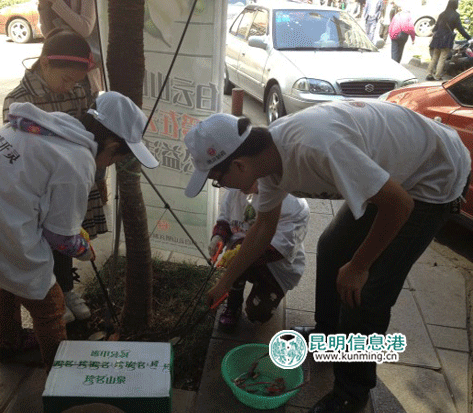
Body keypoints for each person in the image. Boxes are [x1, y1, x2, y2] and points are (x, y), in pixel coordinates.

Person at [183, 101, 470, 413]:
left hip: (432, 177)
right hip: (389, 175)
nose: (220, 186)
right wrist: (224, 283)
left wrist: (359, 266)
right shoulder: (268, 165)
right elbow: (263, 228)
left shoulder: (316, 148)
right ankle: (329, 334)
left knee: (366, 294)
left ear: (239, 165)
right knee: (333, 247)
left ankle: (351, 393)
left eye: (217, 179)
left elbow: (399, 205)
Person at [0, 92, 159, 371]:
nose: (108, 165)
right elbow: (60, 237)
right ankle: (58, 373)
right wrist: (84, 249)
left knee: (6, 277)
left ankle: (9, 342)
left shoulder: (55, 126)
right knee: (50, 303)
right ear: (113, 144)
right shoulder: (78, 159)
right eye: (114, 159)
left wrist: (71, 232)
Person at [3, 29, 103, 324]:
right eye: (66, 79)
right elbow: (18, 149)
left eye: (75, 81)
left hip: (70, 181)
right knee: (45, 242)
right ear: (45, 63)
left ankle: (67, 289)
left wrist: (96, 175)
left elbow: (90, 132)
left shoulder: (79, 90)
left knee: (68, 232)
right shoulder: (19, 100)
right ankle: (52, 293)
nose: (69, 87)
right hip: (39, 187)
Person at [209, 181, 309, 330]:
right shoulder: (235, 189)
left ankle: (265, 294)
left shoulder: (294, 204)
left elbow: (277, 249)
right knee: (235, 262)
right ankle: (233, 304)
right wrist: (219, 236)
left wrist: (238, 257)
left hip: (275, 266)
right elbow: (225, 219)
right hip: (243, 250)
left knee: (257, 314)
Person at [37, 0, 103, 99]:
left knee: (85, 102)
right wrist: (43, 6)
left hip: (84, 71)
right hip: (60, 69)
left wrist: (57, 3)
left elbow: (86, 28)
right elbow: (49, 34)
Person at [426, 0, 471, 81]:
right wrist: (469, 38)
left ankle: (429, 74)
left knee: (434, 57)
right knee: (442, 58)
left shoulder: (442, 14)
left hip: (437, 39)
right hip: (446, 40)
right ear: (456, 4)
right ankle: (438, 76)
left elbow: (435, 28)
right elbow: (460, 29)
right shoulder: (455, 15)